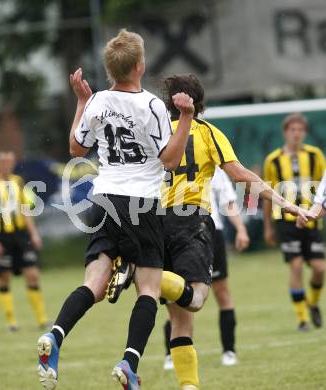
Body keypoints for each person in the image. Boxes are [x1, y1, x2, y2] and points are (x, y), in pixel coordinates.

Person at [109, 75, 315, 390]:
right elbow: (240, 175)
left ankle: (189, 386)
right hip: (190, 219)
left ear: (169, 101)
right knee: (197, 298)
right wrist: (285, 203)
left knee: (180, 319)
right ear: (198, 102)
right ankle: (136, 269)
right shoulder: (207, 132)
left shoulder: (155, 131)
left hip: (153, 221)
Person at [37, 29, 195, 390]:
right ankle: (129, 363)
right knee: (149, 290)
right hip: (140, 201)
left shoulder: (97, 102)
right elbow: (169, 161)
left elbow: (77, 148)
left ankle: (56, 336)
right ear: (140, 66)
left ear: (110, 69)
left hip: (103, 196)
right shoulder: (152, 105)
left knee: (94, 282)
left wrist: (82, 100)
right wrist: (185, 117)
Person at [163, 166, 249, 370]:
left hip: (209, 231)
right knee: (174, 298)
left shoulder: (213, 165)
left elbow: (228, 200)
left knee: (221, 291)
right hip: (173, 230)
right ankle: (171, 353)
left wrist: (241, 228)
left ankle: (229, 350)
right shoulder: (165, 160)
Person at [263, 113, 325, 331]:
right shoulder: (273, 160)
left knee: (320, 268)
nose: (296, 133)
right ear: (285, 132)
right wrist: (268, 227)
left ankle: (313, 303)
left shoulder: (316, 156)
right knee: (296, 266)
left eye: (300, 129)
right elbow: (268, 194)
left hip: (312, 219)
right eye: (292, 129)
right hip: (286, 221)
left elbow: (323, 189)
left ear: (305, 133)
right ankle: (302, 319)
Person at [0, 151, 48, 331]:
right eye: (4, 161)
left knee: (32, 274)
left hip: (20, 235)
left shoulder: (18, 182)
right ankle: (11, 322)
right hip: (1, 236)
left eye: (10, 162)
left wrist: (34, 234)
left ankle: (42, 320)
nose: (7, 165)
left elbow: (25, 211)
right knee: (4, 278)